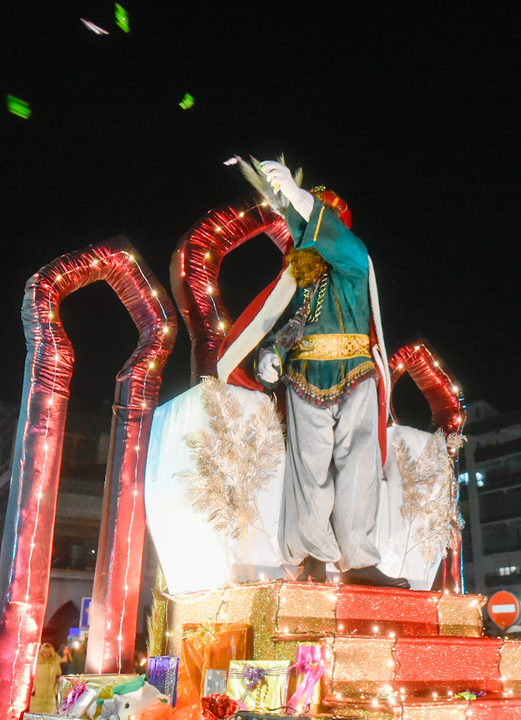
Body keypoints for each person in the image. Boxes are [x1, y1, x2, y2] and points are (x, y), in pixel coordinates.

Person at [218, 159, 406, 588]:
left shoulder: (354, 261)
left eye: (312, 223)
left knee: (358, 466)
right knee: (309, 472)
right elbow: (288, 324)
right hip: (304, 377)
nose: (304, 232)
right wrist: (271, 354)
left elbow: (334, 236)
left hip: (355, 373)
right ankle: (314, 556)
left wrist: (294, 194)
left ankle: (359, 560)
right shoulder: (302, 281)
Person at [30, 643, 62, 714]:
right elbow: (30, 677)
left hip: (50, 696)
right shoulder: (36, 663)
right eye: (44, 652)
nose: (46, 654)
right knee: (35, 715)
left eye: (48, 652)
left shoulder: (55, 664)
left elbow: (58, 678)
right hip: (37, 696)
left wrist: (56, 690)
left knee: (49, 715)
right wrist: (33, 690)